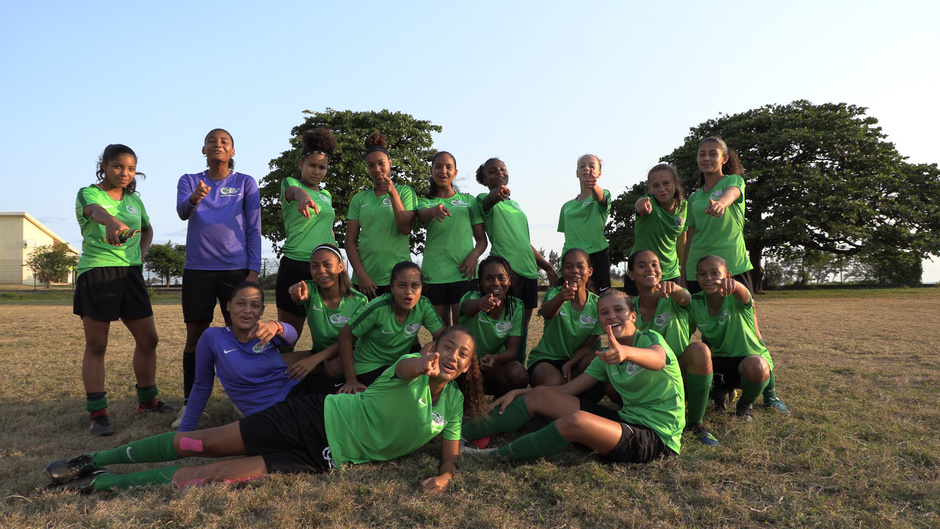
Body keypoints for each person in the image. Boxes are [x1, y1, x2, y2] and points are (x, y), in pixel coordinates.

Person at [43, 327, 486, 494]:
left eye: (462, 354)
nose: (452, 356)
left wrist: (446, 475)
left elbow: (449, 453)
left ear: (468, 366)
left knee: (214, 475)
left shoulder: (452, 404)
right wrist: (419, 364)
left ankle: (104, 483)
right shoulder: (407, 369)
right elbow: (407, 367)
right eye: (446, 346)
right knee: (202, 444)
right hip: (314, 418)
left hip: (323, 459)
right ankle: (92, 459)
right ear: (432, 347)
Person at [461, 290, 685, 464]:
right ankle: (457, 436)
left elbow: (658, 359)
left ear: (633, 315)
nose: (611, 316)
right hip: (625, 419)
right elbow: (566, 391)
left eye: (619, 309)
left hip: (657, 437)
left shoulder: (649, 339)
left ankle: (492, 456)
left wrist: (626, 352)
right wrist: (519, 392)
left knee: (575, 421)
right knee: (541, 395)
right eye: (604, 312)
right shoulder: (604, 357)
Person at [73, 144, 172, 436]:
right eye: (118, 166)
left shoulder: (134, 201)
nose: (125, 173)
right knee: (97, 345)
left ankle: (147, 402)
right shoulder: (89, 193)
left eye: (131, 169)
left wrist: (140, 254)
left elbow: (147, 229)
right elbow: (94, 210)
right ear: (104, 165)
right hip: (98, 271)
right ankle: (98, 414)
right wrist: (110, 220)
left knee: (149, 340)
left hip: (131, 273)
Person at [174, 128, 261, 428]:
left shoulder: (245, 182)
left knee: (242, 335)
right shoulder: (190, 180)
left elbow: (254, 227)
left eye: (224, 142)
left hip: (236, 270)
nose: (217, 145)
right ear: (204, 149)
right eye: (211, 141)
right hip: (198, 269)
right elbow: (182, 212)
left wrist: (253, 271)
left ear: (232, 151)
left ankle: (246, 401)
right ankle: (190, 406)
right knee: (196, 338)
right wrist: (194, 198)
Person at [176, 281, 335, 432]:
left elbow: (291, 338)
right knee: (324, 423)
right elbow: (202, 386)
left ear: (262, 311)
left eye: (255, 305)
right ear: (228, 306)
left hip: (300, 387)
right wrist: (185, 430)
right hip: (274, 412)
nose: (247, 310)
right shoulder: (213, 337)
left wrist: (277, 326)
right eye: (240, 303)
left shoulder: (266, 331)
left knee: (344, 401)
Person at [628, 249, 717, 446]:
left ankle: (695, 422)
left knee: (700, 350)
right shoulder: (628, 307)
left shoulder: (674, 297)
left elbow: (685, 298)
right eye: (642, 265)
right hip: (647, 378)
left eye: (655, 265)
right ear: (631, 274)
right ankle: (641, 413)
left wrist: (675, 288)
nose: (650, 269)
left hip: (679, 375)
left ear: (661, 271)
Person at [689, 255, 786, 421]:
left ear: (727, 276)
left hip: (747, 361)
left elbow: (744, 295)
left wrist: (735, 285)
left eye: (714, 273)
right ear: (697, 277)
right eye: (702, 274)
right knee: (718, 401)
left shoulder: (737, 298)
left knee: (757, 366)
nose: (708, 278)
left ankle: (745, 406)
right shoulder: (694, 302)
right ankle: (721, 392)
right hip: (719, 363)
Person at [476, 157, 558, 344]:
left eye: (502, 169)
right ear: (485, 179)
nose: (499, 173)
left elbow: (525, 243)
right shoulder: (483, 199)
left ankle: (519, 361)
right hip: (507, 271)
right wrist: (496, 193)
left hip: (529, 272)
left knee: (522, 328)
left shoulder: (515, 205)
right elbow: (488, 201)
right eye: (493, 171)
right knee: (505, 325)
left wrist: (548, 267)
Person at [335, 261, 445, 394]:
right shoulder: (378, 308)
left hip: (398, 365)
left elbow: (443, 337)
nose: (409, 292)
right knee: (405, 391)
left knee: (427, 380)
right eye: (402, 285)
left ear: (421, 287)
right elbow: (344, 337)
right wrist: (351, 380)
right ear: (392, 287)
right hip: (369, 367)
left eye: (415, 286)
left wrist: (429, 352)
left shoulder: (423, 306)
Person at [275, 127, 338, 350]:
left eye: (322, 167)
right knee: (287, 338)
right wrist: (302, 196)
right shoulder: (290, 183)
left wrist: (337, 258)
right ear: (301, 164)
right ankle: (279, 371)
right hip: (296, 265)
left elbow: (328, 230)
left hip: (325, 269)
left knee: (329, 336)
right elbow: (294, 192)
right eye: (312, 165)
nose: (317, 171)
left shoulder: (326, 195)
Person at [280, 244, 368, 388]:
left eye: (327, 265)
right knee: (276, 363)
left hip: (348, 355)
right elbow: (300, 290)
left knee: (332, 368)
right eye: (315, 266)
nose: (321, 270)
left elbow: (351, 342)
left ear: (340, 267)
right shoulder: (311, 289)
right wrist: (296, 293)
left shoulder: (359, 301)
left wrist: (315, 360)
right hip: (319, 355)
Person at [417, 151, 487, 326]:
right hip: (434, 275)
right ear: (431, 171)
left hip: (465, 275)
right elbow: (422, 215)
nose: (443, 171)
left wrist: (473, 256)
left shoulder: (469, 201)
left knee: (463, 332)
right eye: (438, 167)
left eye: (448, 167)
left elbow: (482, 240)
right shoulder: (424, 202)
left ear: (455, 172)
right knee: (440, 333)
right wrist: (433, 211)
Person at [345, 132, 417, 299]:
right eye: (371, 165)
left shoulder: (405, 192)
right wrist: (361, 275)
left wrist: (393, 193)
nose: (376, 169)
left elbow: (405, 228)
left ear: (389, 163)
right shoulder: (359, 198)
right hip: (365, 282)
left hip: (398, 279)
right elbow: (350, 241)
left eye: (381, 163)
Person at [681, 137, 751, 294]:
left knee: (745, 307)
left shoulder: (734, 180)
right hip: (697, 270)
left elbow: (732, 193)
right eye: (702, 154)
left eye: (713, 154)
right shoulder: (693, 198)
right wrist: (684, 275)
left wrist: (721, 203)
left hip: (732, 265)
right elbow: (690, 239)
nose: (706, 158)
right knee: (699, 310)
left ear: (724, 159)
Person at [527, 248, 602, 388]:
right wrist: (561, 297)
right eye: (569, 267)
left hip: (577, 362)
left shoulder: (598, 304)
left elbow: (587, 346)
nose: (574, 271)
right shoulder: (554, 293)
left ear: (590, 271)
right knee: (554, 383)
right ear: (562, 272)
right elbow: (547, 313)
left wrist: (570, 363)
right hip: (547, 360)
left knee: (604, 356)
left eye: (580, 266)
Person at [458, 255, 529, 396]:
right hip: (463, 367)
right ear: (481, 282)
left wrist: (495, 358)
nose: (496, 283)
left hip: (492, 368)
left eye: (501, 278)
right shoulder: (471, 297)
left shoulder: (516, 306)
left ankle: (499, 403)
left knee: (518, 373)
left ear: (509, 280)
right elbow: (466, 307)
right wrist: (480, 303)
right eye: (489, 278)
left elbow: (513, 350)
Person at [625, 163, 687, 296]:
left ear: (676, 183)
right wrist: (639, 205)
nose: (662, 189)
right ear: (650, 188)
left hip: (670, 274)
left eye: (666, 183)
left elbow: (682, 245)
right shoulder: (648, 203)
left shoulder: (684, 207)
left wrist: (685, 275)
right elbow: (640, 205)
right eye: (656, 186)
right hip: (641, 274)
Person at [557, 154, 612, 292]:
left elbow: (601, 198)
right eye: (582, 166)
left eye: (592, 166)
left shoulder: (603, 194)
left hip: (596, 257)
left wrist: (593, 186)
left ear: (599, 173)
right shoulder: (566, 207)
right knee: (568, 298)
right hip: (571, 258)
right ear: (577, 172)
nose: (587, 169)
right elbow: (567, 236)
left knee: (601, 300)